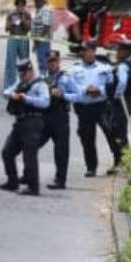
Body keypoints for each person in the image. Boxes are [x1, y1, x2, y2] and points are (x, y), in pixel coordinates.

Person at [0, 58, 50, 195]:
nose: (22, 76)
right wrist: (13, 95)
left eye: (24, 73)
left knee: (29, 156)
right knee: (7, 151)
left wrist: (26, 98)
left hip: (33, 121)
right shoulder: (20, 83)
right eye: (20, 73)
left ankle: (33, 187)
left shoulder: (40, 84)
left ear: (30, 70)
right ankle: (12, 181)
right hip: (20, 122)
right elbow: (5, 92)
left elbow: (45, 102)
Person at [66, 39, 113, 177]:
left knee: (110, 131)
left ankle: (119, 160)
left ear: (93, 51)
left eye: (85, 50)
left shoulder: (105, 68)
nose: (82, 53)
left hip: (101, 106)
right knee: (87, 138)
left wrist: (100, 90)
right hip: (84, 107)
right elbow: (69, 86)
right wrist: (85, 90)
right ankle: (91, 167)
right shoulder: (74, 69)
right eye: (82, 50)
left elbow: (111, 86)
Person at [103, 38, 131, 174]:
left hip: (120, 103)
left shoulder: (123, 66)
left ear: (125, 52)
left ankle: (122, 162)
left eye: (119, 50)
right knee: (119, 131)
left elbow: (122, 82)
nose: (117, 52)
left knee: (117, 131)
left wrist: (117, 95)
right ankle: (122, 161)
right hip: (128, 102)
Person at [40, 49, 76, 190]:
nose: (52, 64)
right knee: (31, 143)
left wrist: (63, 95)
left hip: (60, 116)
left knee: (61, 150)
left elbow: (77, 95)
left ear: (59, 62)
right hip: (45, 116)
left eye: (54, 61)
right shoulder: (42, 78)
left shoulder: (66, 78)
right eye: (49, 61)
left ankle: (60, 180)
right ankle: (29, 174)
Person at [3, 0, 32, 90]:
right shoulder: (11, 14)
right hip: (13, 38)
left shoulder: (27, 14)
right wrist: (12, 23)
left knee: (24, 61)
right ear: (16, 5)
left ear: (24, 5)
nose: (20, 6)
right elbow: (6, 28)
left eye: (22, 5)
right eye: (18, 5)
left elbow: (28, 28)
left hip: (23, 38)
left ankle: (25, 83)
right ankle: (9, 84)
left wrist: (23, 20)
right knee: (10, 62)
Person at [31, 0, 54, 74]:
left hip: (43, 40)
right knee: (40, 60)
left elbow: (46, 26)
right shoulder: (38, 10)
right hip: (39, 40)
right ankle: (43, 75)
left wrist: (38, 39)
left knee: (43, 61)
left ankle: (44, 78)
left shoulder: (45, 10)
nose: (36, 3)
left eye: (38, 1)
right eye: (35, 1)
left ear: (43, 1)